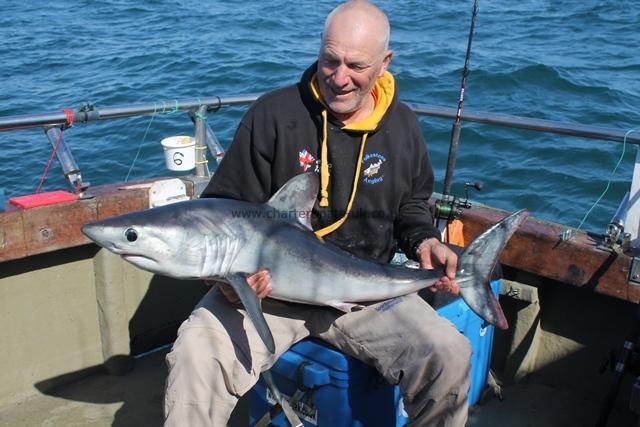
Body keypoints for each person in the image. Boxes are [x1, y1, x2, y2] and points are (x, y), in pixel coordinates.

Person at [164, 1, 471, 425]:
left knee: (449, 355)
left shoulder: (403, 126)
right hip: (267, 293)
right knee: (195, 356)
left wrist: (425, 241)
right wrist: (226, 281)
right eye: (330, 60)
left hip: (365, 291)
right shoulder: (273, 116)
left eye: (356, 65)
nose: (339, 77)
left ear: (385, 63)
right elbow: (220, 211)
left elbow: (412, 206)